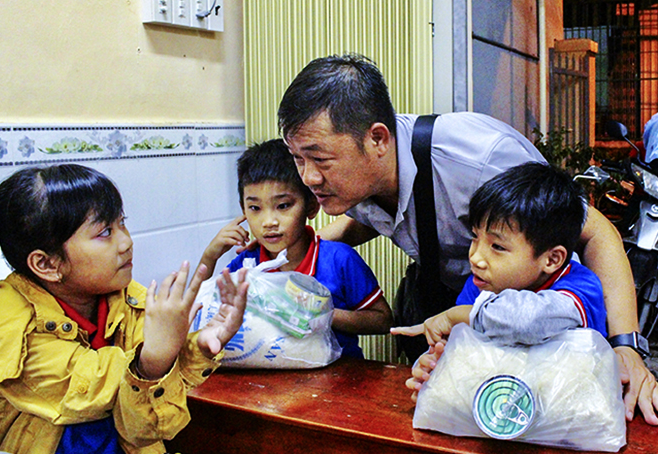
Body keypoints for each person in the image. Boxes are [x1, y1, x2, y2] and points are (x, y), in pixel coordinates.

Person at [277, 53, 658, 423]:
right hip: (467, 309)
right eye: (297, 159)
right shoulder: (352, 180)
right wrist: (285, 261)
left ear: (378, 139)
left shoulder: (478, 160)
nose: (308, 177)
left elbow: (595, 232)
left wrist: (625, 346)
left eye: (320, 160)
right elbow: (366, 220)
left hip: (540, 324)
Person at [0, 164, 249, 453]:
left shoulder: (129, 298)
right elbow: (94, 386)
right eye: (105, 232)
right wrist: (153, 360)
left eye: (122, 223)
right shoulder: (7, 318)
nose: (126, 242)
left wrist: (201, 347)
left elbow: (148, 425)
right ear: (47, 264)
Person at [393, 162, 607, 400]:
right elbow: (466, 356)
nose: (475, 257)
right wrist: (435, 371)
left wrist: (456, 316)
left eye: (497, 246)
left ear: (552, 259)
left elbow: (525, 321)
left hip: (573, 413)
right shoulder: (480, 285)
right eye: (475, 237)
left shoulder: (579, 287)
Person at [198, 138, 393, 358]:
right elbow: (201, 311)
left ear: (311, 206)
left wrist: (325, 316)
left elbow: (382, 320)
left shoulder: (338, 259)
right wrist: (209, 257)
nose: (268, 221)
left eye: (283, 206)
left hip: (338, 381)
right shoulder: (247, 264)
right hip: (265, 380)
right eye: (255, 208)